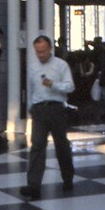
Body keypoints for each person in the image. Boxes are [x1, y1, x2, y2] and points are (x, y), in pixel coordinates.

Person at [20, 35, 75, 200]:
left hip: (57, 109)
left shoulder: (61, 65)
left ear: (50, 48)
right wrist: (31, 106)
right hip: (39, 110)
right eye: (38, 52)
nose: (41, 55)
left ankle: (67, 177)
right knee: (37, 146)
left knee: (61, 145)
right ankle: (33, 185)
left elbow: (70, 86)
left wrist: (54, 84)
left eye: (43, 51)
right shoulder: (32, 67)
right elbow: (31, 89)